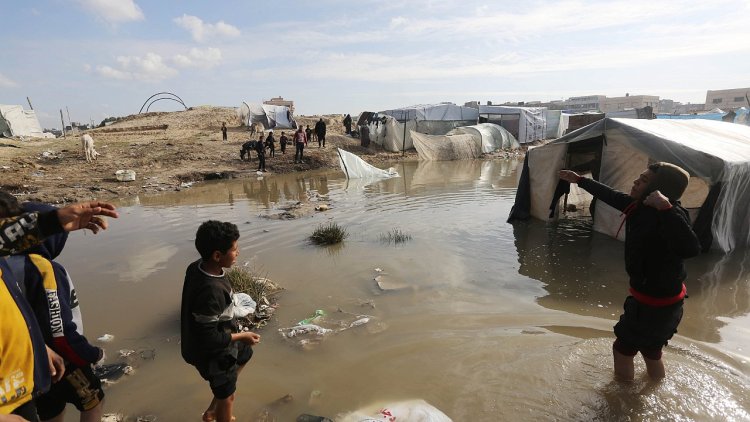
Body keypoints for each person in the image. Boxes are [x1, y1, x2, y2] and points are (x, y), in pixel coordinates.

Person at [559, 162, 701, 380]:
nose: (636, 182)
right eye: (639, 177)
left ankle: (621, 402)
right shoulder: (639, 206)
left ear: (660, 189)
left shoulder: (671, 214)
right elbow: (611, 195)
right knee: (651, 351)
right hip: (659, 301)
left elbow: (691, 249)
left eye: (644, 180)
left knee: (622, 349)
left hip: (655, 305)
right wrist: (580, 180)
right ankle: (653, 388)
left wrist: (665, 208)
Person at [0, 201, 118, 419]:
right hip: (64, 360)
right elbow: (59, 329)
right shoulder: (43, 268)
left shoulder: (7, 263)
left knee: (50, 407)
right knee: (94, 400)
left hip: (34, 361)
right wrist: (89, 354)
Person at [180, 221, 261, 422]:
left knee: (245, 354)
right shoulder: (211, 291)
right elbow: (209, 338)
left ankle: (211, 412)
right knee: (228, 397)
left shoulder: (196, 267)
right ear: (217, 255)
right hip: (210, 351)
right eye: (234, 250)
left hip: (216, 339)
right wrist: (242, 335)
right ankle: (221, 411)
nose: (238, 253)